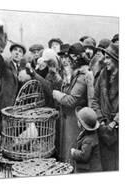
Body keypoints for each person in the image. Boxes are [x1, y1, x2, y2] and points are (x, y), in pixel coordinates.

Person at [52, 42, 95, 163]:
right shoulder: (75, 73)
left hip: (75, 119)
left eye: (71, 57)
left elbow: (72, 100)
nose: (69, 60)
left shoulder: (83, 75)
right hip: (70, 118)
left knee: (71, 153)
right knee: (67, 151)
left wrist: (57, 94)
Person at [0, 37, 26, 135]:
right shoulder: (5, 65)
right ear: (11, 52)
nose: (17, 53)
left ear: (22, 55)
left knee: (15, 135)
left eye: (20, 51)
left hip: (17, 110)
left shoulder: (22, 69)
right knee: (5, 135)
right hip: (6, 107)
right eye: (15, 50)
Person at [91, 43, 119, 171]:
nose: (105, 60)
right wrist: (101, 121)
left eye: (108, 58)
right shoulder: (102, 74)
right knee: (107, 166)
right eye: (105, 57)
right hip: (104, 129)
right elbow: (94, 99)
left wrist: (114, 122)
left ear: (117, 59)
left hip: (118, 130)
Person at [71, 107, 102, 173]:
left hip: (89, 170)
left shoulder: (88, 140)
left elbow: (84, 156)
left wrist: (74, 152)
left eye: (78, 120)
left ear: (82, 124)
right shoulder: (89, 133)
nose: (77, 121)